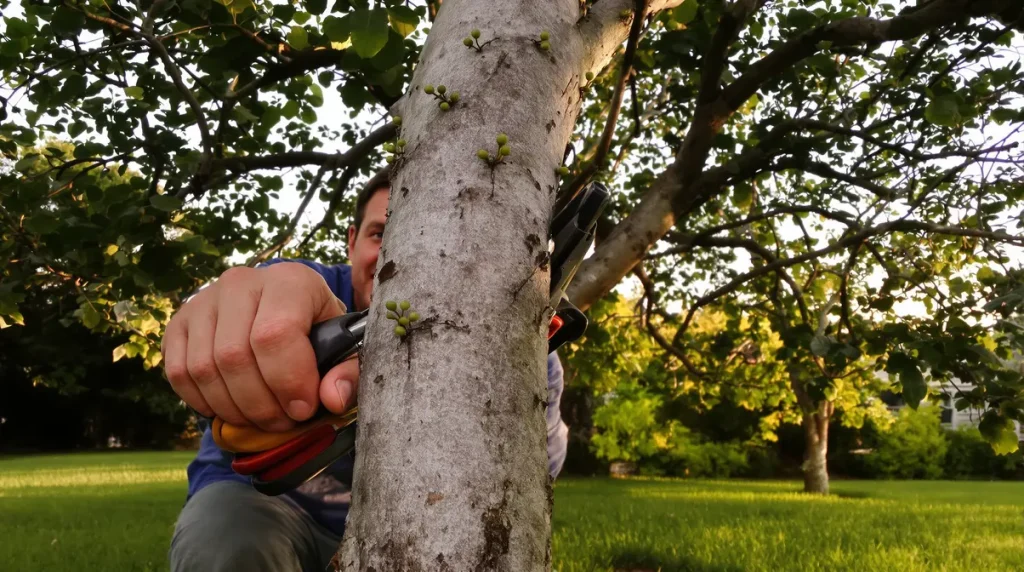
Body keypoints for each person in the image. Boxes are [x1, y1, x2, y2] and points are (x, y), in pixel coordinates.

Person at [164, 181, 570, 571]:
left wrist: (517, 374)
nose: (401, 254)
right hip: (271, 507)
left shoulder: (518, 344)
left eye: (424, 235)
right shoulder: (300, 298)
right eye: (381, 234)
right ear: (352, 239)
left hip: (414, 527)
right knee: (225, 542)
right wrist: (234, 332)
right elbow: (235, 350)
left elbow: (539, 469)